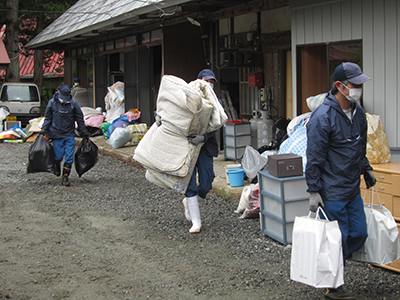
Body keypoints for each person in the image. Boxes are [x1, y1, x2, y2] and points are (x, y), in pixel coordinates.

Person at [305, 62, 377, 299]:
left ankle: (332, 266)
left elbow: (359, 146)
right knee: (338, 238)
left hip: (351, 188)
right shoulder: (322, 118)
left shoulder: (358, 113)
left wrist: (366, 169)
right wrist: (313, 189)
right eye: (355, 85)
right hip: (331, 190)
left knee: (358, 234)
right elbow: (314, 157)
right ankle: (331, 284)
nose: (359, 89)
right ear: (340, 86)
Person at [155, 69, 221, 234]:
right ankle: (196, 222)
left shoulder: (215, 101)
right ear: (198, 80)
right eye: (207, 81)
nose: (209, 84)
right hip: (187, 145)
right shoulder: (187, 97)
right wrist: (159, 117)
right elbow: (172, 111)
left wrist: (204, 137)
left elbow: (217, 123)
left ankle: (190, 202)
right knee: (190, 181)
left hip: (204, 146)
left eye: (212, 82)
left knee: (207, 180)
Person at [40, 84, 89, 186]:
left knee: (69, 157)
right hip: (56, 134)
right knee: (58, 156)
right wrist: (43, 129)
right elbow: (48, 117)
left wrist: (84, 132)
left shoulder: (73, 104)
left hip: (69, 134)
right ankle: (57, 164)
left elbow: (79, 118)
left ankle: (65, 177)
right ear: (58, 93)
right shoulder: (52, 103)